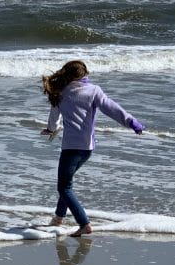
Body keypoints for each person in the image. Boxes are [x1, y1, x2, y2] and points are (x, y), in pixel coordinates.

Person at [40, 60, 144, 236]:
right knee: (67, 184)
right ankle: (58, 218)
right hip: (87, 148)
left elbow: (54, 117)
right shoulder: (94, 90)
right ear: (83, 75)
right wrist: (131, 122)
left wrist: (51, 129)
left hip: (70, 148)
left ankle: (84, 224)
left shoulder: (60, 92)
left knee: (63, 187)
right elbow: (112, 108)